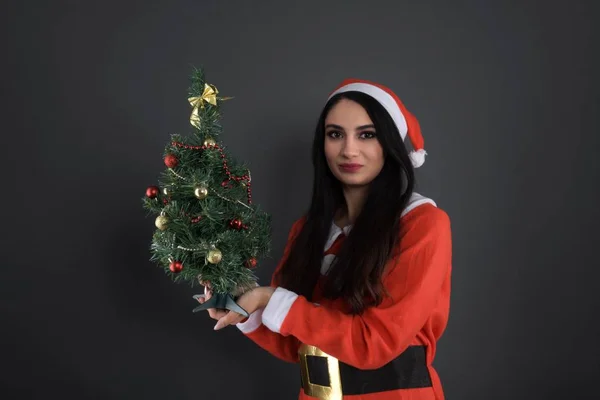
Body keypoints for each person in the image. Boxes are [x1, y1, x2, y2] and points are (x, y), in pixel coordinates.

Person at [196, 78, 452, 400]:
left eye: (367, 134)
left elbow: (375, 343)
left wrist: (269, 298)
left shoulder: (422, 224)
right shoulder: (309, 229)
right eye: (335, 135)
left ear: (389, 143)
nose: (349, 150)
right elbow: (298, 341)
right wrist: (246, 308)